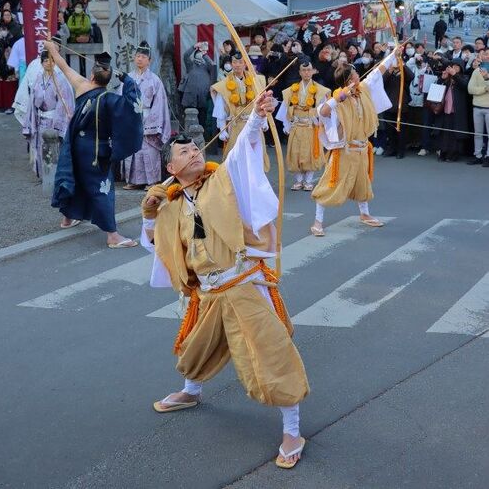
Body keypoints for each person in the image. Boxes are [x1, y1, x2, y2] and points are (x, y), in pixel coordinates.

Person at [141, 90, 309, 469]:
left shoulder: (222, 181)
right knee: (194, 350)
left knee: (271, 356)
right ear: (171, 169)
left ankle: (292, 429)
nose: (194, 154)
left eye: (196, 149)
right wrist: (150, 215)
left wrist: (256, 116)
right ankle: (191, 391)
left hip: (243, 283)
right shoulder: (170, 205)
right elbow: (158, 246)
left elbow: (241, 151)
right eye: (183, 153)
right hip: (208, 293)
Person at [46, 42, 143, 247]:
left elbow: (62, 65)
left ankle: (68, 218)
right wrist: (126, 78)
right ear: (108, 80)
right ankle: (113, 236)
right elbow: (133, 103)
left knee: (77, 177)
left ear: (92, 76)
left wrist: (52, 49)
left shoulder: (82, 86)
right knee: (102, 189)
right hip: (97, 151)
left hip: (76, 146)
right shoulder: (111, 100)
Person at [310, 50, 399, 236]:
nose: (359, 75)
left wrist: (393, 55)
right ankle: (318, 221)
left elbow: (376, 73)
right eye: (355, 74)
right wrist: (339, 97)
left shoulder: (362, 90)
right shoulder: (337, 98)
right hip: (345, 150)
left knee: (362, 183)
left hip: (361, 148)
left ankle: (365, 214)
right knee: (330, 184)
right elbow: (323, 112)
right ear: (349, 79)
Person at [122, 42, 171, 190]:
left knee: (148, 151)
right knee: (133, 151)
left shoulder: (155, 80)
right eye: (137, 56)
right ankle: (133, 181)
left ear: (149, 60)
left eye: (143, 57)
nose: (139, 59)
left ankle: (152, 181)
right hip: (131, 118)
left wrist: (150, 123)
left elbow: (159, 104)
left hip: (148, 118)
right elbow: (121, 100)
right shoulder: (128, 78)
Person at [276, 60, 329, 190]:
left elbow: (324, 109)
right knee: (296, 153)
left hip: (311, 126)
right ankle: (299, 180)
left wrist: (321, 124)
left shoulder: (320, 90)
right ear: (299, 72)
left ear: (313, 71)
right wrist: (286, 125)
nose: (306, 73)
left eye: (309, 70)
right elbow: (285, 108)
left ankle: (308, 181)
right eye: (303, 70)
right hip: (296, 125)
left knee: (310, 154)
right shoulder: (291, 90)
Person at [22, 49, 75, 178]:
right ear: (41, 63)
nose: (48, 63)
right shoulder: (38, 79)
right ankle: (43, 174)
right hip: (40, 119)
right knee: (40, 147)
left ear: (55, 62)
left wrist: (58, 123)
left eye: (51, 60)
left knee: (55, 148)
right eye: (45, 60)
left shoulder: (60, 80)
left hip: (53, 120)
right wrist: (30, 121)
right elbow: (32, 101)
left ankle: (56, 175)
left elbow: (64, 103)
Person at [211, 51, 269, 166]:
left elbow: (263, 102)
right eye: (234, 62)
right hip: (236, 125)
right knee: (236, 157)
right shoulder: (224, 84)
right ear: (231, 64)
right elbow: (220, 107)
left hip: (254, 123)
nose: (237, 65)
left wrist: (264, 120)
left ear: (245, 64)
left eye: (240, 62)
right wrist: (222, 128)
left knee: (255, 156)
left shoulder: (256, 80)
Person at [433, 59, 469, 162]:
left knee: (455, 134)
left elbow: (464, 86)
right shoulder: (448, 78)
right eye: (453, 66)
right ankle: (443, 152)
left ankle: (453, 154)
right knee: (444, 133)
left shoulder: (464, 77)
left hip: (457, 111)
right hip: (445, 109)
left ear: (461, 68)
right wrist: (442, 78)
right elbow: (437, 89)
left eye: (457, 66)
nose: (454, 68)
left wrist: (455, 75)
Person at [180, 43, 215, 129]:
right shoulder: (190, 65)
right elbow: (186, 56)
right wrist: (193, 47)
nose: (200, 54)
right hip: (190, 98)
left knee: (202, 120)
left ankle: (203, 139)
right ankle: (189, 137)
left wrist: (205, 55)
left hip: (203, 98)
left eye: (202, 53)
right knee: (189, 119)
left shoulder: (207, 66)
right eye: (199, 53)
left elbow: (213, 66)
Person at [467, 49, 489, 166]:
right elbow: (470, 89)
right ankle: (478, 155)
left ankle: (488, 156)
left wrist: (486, 78)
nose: (487, 56)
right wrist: (484, 89)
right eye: (486, 54)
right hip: (477, 106)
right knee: (478, 133)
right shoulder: (476, 71)